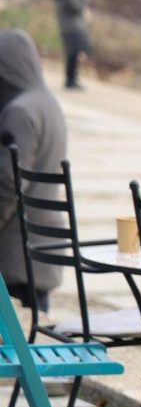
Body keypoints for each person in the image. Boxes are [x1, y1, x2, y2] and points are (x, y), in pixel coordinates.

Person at [0, 29, 67, 313]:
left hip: (17, 249)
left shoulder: (20, 111)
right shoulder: (46, 102)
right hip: (43, 243)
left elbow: (8, 183)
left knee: (20, 333)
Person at [45, 0, 91, 90]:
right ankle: (71, 79)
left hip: (67, 25)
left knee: (73, 53)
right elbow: (76, 7)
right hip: (73, 26)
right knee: (74, 53)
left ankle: (71, 78)